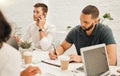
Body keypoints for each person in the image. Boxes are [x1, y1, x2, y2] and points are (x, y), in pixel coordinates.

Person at [49, 5, 117, 65]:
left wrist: (82, 59)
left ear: (96, 21)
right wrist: (56, 52)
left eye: (86, 22)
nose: (82, 24)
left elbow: (112, 60)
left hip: (102, 69)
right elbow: (63, 47)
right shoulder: (75, 31)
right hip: (84, 67)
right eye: (81, 20)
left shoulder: (104, 31)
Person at [0, 10, 40, 76]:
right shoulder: (31, 26)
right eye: (33, 11)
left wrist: (41, 29)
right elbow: (24, 40)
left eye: (37, 12)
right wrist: (20, 41)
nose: (34, 14)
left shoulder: (50, 27)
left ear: (44, 15)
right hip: (32, 55)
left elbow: (45, 46)